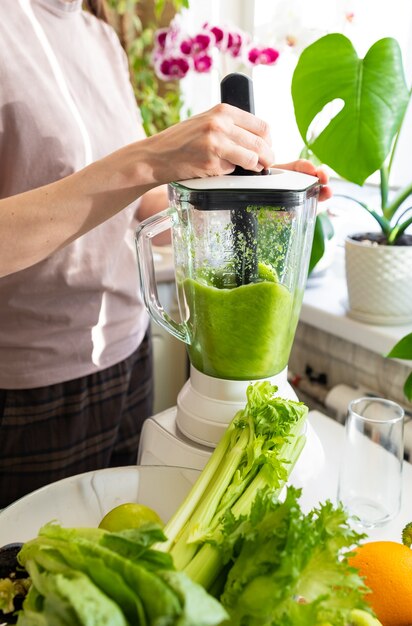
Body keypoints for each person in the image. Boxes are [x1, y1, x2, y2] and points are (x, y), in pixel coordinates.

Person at [0, 0, 331, 508]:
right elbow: (136, 173)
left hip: (128, 359)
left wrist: (243, 194)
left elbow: (144, 205)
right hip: (30, 388)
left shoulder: (97, 36)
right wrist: (150, 157)